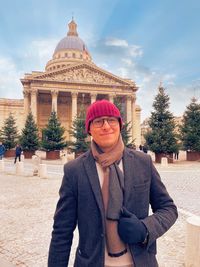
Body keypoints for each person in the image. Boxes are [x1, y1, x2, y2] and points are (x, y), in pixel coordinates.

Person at [48, 100, 178, 267]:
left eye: (111, 120)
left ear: (119, 125)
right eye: (98, 121)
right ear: (89, 129)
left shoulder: (142, 162)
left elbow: (168, 208)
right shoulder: (75, 170)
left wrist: (145, 229)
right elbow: (62, 231)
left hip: (140, 262)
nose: (106, 126)